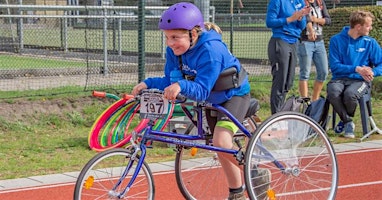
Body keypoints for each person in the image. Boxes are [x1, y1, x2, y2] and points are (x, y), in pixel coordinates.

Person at [131, 2, 269, 200]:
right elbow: (171, 81)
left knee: (221, 141)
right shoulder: (174, 52)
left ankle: (256, 173)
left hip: (233, 96)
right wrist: (148, 83)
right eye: (167, 37)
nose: (170, 43)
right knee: (219, 147)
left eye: (175, 37)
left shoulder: (211, 51)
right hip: (212, 99)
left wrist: (181, 86)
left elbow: (201, 90)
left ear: (192, 34)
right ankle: (237, 193)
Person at [327, 10, 382, 138]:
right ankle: (348, 121)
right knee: (333, 92)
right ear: (358, 27)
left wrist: (372, 72)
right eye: (368, 26)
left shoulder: (370, 42)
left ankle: (345, 121)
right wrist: (356, 69)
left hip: (360, 81)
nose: (371, 28)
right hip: (339, 79)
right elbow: (335, 67)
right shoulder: (336, 40)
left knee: (350, 94)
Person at [266, 0, 311, 114]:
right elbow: (269, 22)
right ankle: (276, 116)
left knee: (288, 81)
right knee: (280, 81)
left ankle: (281, 112)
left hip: (294, 41)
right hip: (280, 40)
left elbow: (302, 26)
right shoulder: (277, 1)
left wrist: (300, 18)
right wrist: (290, 19)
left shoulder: (299, 2)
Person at [298, 0, 331, 101]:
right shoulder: (301, 3)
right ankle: (304, 101)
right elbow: (305, 18)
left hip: (319, 42)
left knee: (324, 72)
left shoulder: (320, 3)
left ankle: (315, 100)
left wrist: (315, 19)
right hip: (305, 41)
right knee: (305, 72)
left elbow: (328, 20)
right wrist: (311, 29)